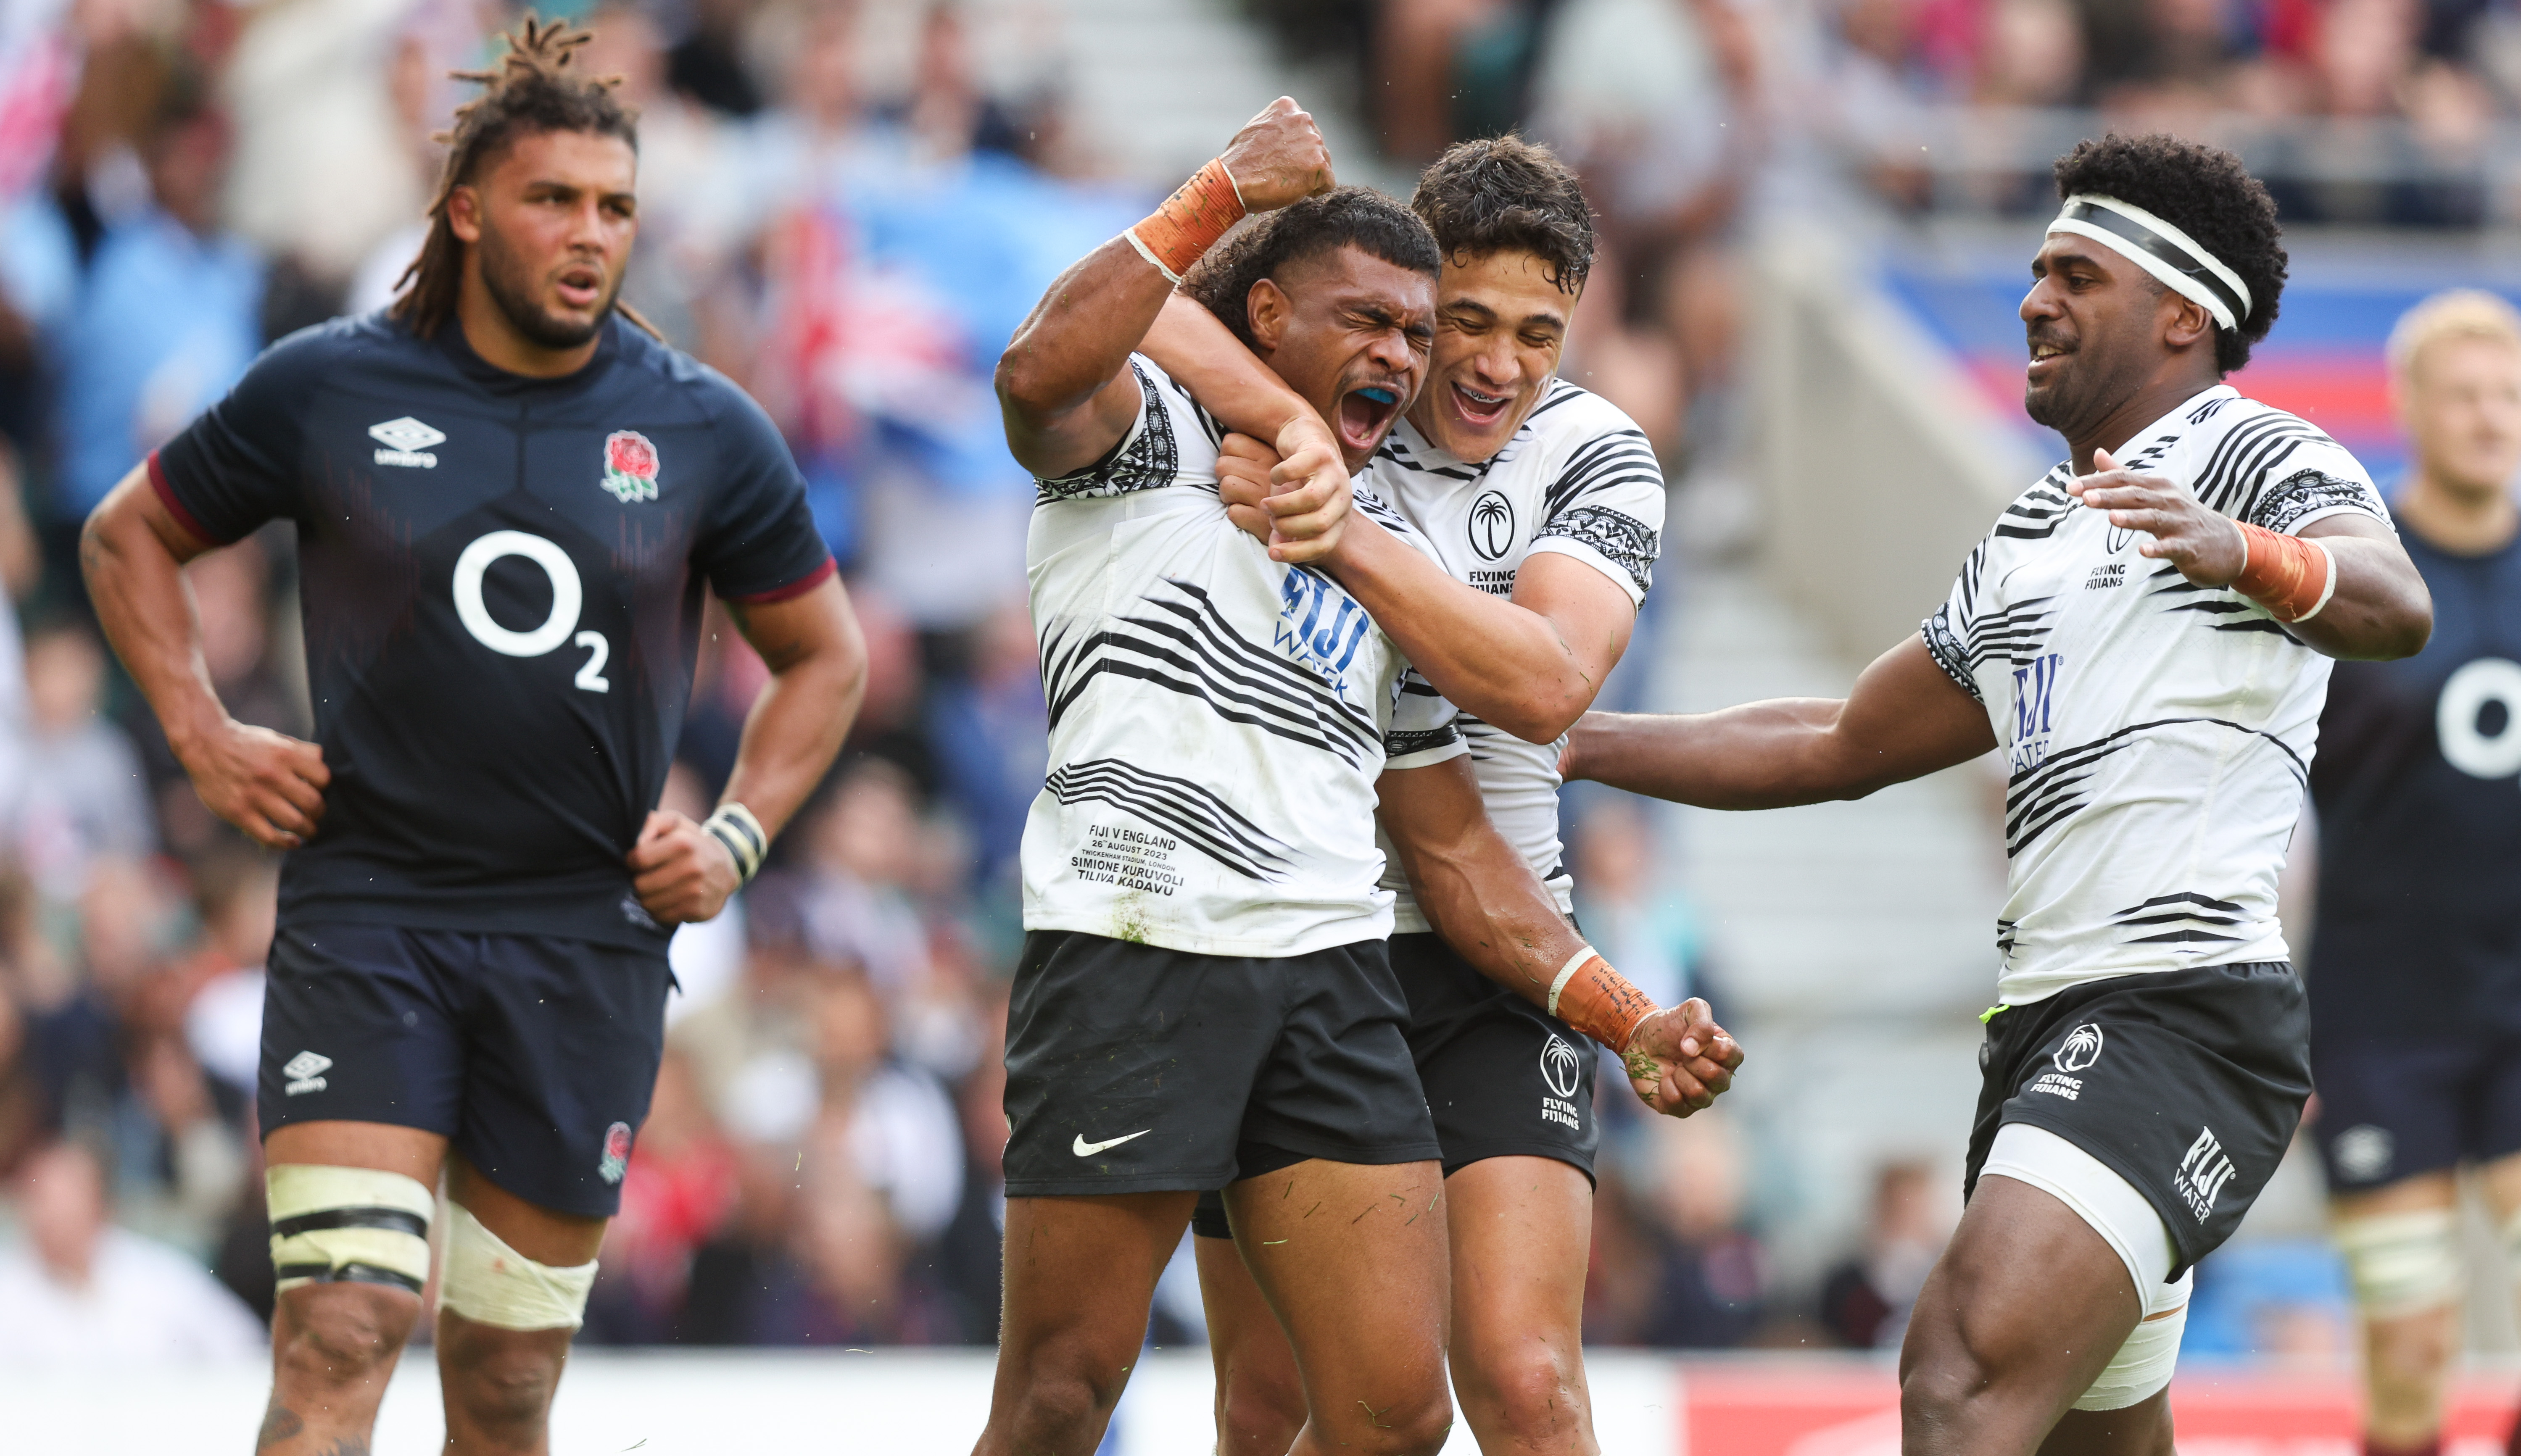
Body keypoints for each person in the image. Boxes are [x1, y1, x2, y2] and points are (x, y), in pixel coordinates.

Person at [1561, 132, 2432, 1453]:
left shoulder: (2254, 451)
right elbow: (1834, 737)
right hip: (2046, 1030)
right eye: (2035, 271)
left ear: (2181, 314)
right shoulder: (2032, 530)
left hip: (2184, 1018)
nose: (2035, 299)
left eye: (2074, 275)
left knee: (1955, 1373)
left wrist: (2241, 550)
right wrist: (1563, 736)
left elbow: (2390, 601)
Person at [77, 18, 866, 1455]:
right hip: (369, 912)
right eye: (551, 199)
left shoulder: (703, 428)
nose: (589, 234)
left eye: (614, 206)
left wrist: (739, 834)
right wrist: (200, 731)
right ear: (465, 209)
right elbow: (127, 534)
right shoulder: (329, 385)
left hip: (587, 935)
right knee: (342, 1321)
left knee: (504, 1384)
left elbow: (825, 658)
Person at [986, 100, 1735, 1456]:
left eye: (1534, 332)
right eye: (1441, 319)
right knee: (1130, 1398)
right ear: (1282, 309)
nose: (1472, 359)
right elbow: (1073, 349)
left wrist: (1618, 1006)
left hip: (1385, 971)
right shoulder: (1184, 429)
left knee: (1470, 1397)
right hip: (1149, 946)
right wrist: (1276, 384)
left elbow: (1507, 746)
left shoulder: (1554, 464)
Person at [2305, 289, 2521, 1456]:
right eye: (2464, 395)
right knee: (2407, 1354)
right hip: (2380, 1012)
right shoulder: (2357, 579)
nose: (2489, 418)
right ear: (2408, 411)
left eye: (2506, 396)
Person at [0, 1139, 267, 1363]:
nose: (54, 1217)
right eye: (42, 1200)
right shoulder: (8, 1292)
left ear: (100, 1205)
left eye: (68, 1200)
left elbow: (245, 1346)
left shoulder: (161, 1274)